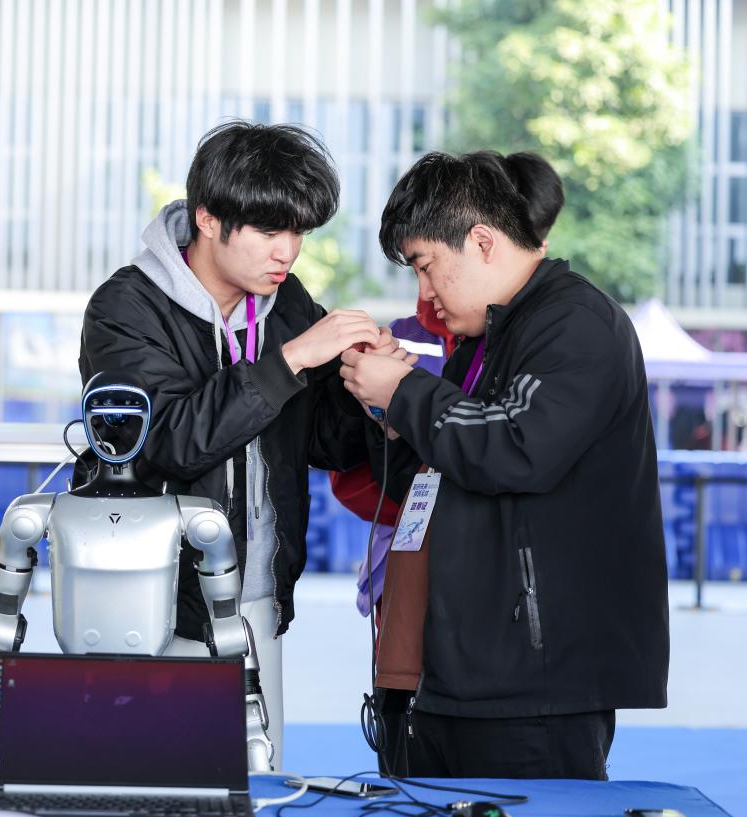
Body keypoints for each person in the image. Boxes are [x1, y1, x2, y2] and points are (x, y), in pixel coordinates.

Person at [79, 121, 403, 767]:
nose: (287, 252)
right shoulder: (126, 307)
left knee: (256, 782)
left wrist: (372, 393)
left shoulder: (285, 304)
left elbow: (323, 442)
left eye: (298, 233)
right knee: (143, 785)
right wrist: (292, 359)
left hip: (255, 596)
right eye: (268, 231)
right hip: (148, 598)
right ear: (207, 218)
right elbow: (167, 442)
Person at [340, 151, 669, 779]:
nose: (425, 294)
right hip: (452, 671)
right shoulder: (487, 339)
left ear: (483, 242)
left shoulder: (578, 324)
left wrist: (406, 392)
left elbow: (518, 449)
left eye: (426, 267)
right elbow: (436, 473)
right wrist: (391, 413)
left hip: (532, 686)